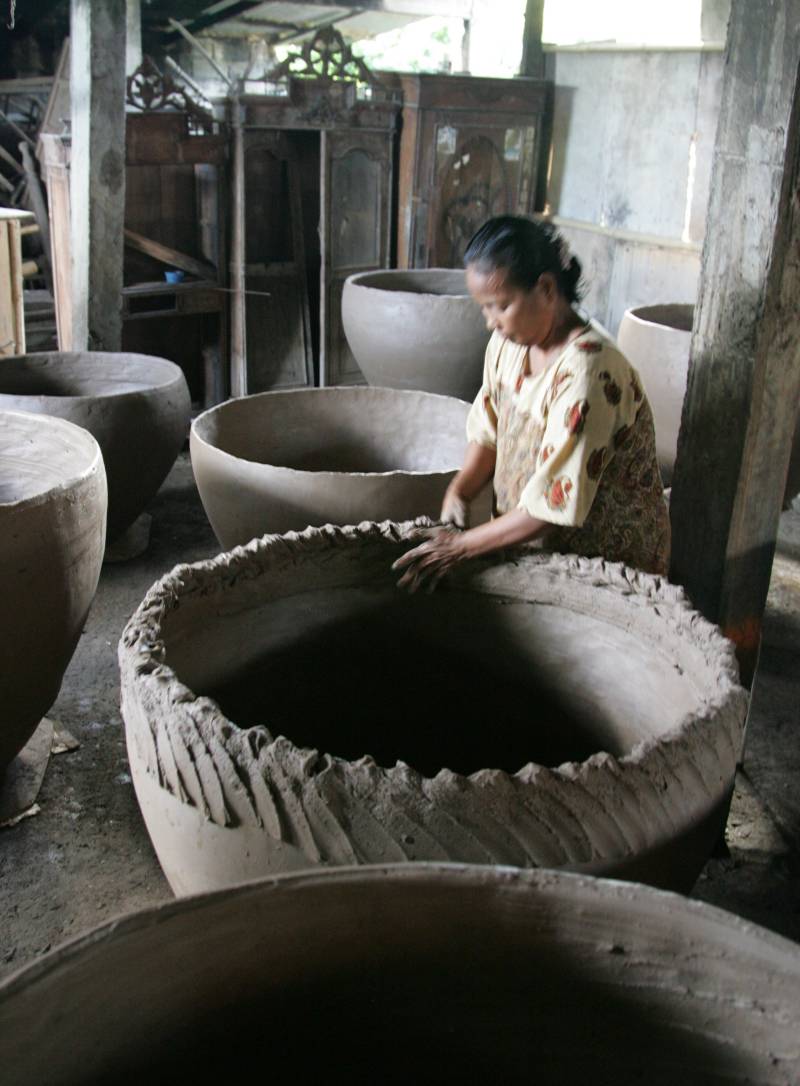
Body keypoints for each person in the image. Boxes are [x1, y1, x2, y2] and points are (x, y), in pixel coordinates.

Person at [393, 214, 670, 592]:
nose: (491, 321)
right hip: (534, 540)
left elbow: (552, 511)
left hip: (605, 560)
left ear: (546, 289)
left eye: (501, 305)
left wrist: (460, 547)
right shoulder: (509, 344)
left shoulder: (589, 372)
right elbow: (489, 430)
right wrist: (460, 490)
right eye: (484, 308)